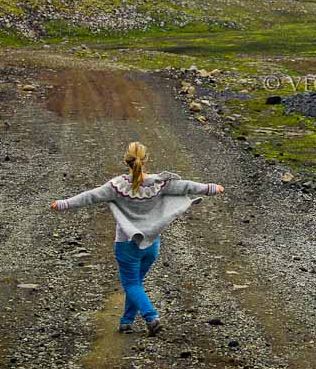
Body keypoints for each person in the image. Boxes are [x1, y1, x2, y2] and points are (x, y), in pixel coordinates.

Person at [50, 141, 224, 335]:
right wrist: (210, 188)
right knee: (136, 284)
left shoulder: (116, 187)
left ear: (127, 161)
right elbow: (187, 186)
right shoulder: (159, 184)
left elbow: (90, 196)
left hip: (127, 245)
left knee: (131, 284)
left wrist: (64, 204)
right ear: (146, 159)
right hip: (151, 244)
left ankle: (152, 317)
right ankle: (126, 322)